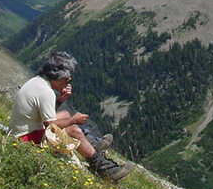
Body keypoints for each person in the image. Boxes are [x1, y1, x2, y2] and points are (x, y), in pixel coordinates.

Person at [9, 51, 133, 181]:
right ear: (57, 77)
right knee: (73, 129)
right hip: (27, 140)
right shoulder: (45, 92)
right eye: (66, 79)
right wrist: (74, 120)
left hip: (24, 132)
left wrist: (60, 101)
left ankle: (92, 146)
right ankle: (105, 168)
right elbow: (51, 126)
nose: (67, 83)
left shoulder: (37, 82)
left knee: (65, 114)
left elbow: (43, 115)